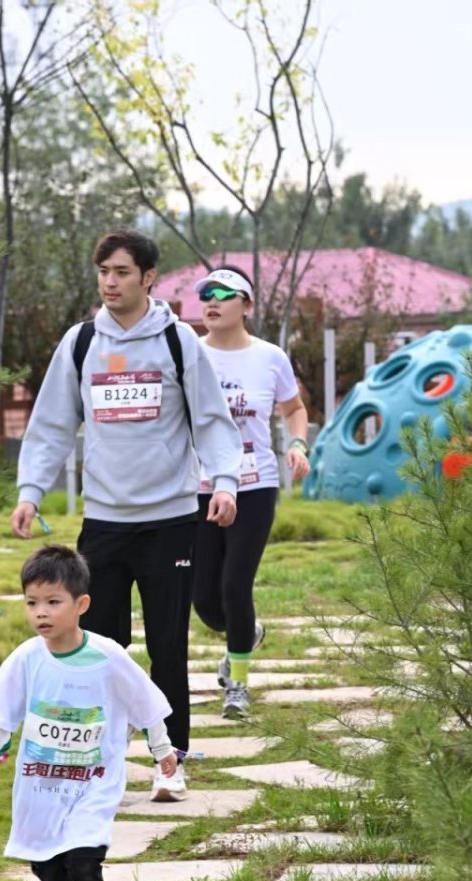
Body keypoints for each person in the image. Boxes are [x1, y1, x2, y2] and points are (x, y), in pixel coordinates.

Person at [10, 226, 243, 801]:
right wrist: (30, 490)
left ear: (147, 278)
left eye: (121, 272)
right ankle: (101, 764)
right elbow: (51, 424)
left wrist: (226, 482)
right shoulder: (82, 342)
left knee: (168, 648)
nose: (110, 283)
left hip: (170, 521)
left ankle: (171, 764)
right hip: (105, 524)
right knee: (99, 649)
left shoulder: (178, 342)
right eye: (103, 272)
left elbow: (212, 419)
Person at [0, 545, 177, 881]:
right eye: (32, 602)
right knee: (51, 876)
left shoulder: (108, 656)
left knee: (84, 863)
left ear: (81, 605)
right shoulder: (25, 660)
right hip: (40, 791)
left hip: (93, 784)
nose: (41, 613)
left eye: (53, 602)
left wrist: (162, 748)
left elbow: (146, 703)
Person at [190, 265, 310, 719]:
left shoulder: (269, 357)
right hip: (198, 487)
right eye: (205, 293)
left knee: (235, 584)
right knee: (204, 598)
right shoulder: (188, 353)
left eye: (223, 293)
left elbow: (294, 408)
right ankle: (247, 633)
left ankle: (237, 684)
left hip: (254, 484)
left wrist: (297, 443)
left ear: (248, 305)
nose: (211, 301)